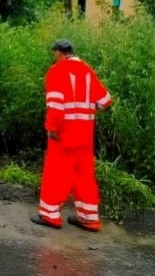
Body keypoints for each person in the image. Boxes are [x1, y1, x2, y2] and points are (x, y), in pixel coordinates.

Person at [30, 39, 113, 232]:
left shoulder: (56, 72)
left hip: (63, 135)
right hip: (84, 136)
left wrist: (51, 128)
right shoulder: (87, 71)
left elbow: (56, 107)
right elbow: (105, 101)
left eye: (54, 54)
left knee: (56, 174)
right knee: (84, 176)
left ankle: (50, 215)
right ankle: (89, 218)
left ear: (59, 53)